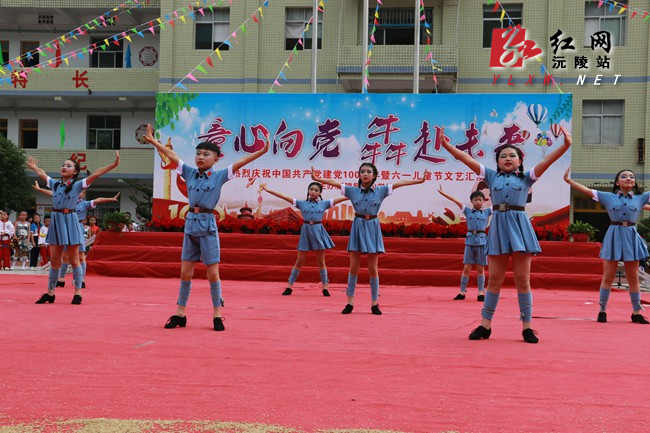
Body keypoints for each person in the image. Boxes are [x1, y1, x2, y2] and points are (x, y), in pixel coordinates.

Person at [440, 125, 572, 343]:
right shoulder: (491, 177)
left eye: (513, 155)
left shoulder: (528, 177)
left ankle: (527, 327)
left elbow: (548, 161)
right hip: (499, 228)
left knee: (522, 280)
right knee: (494, 280)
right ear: (498, 162)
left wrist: (566, 145)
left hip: (520, 228)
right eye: (503, 156)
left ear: (520, 160)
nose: (508, 158)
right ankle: (485, 325)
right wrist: (447, 146)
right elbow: (465, 158)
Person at [143, 124, 269, 331]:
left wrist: (263, 150)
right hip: (190, 226)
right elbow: (171, 155)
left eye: (206, 154)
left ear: (216, 158)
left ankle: (217, 315)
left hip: (208, 226)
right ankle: (180, 314)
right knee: (185, 274)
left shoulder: (219, 175)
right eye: (198, 153)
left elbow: (241, 162)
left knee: (212, 275)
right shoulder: (190, 173)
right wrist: (153, 141)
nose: (201, 157)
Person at [311, 163, 428, 315]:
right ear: (359, 175)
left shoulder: (381, 191)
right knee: (354, 268)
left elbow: (400, 183)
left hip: (372, 227)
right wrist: (317, 178)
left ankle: (374, 303)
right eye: (362, 171)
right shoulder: (352, 191)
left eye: (368, 172)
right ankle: (349, 302)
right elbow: (334, 183)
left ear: (374, 175)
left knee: (373, 269)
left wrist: (419, 181)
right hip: (358, 226)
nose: (365, 174)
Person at [27, 152, 120, 304]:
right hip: (56, 220)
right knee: (55, 260)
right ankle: (50, 293)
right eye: (63, 165)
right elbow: (42, 174)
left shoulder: (77, 186)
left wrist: (113, 165)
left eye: (68, 166)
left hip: (70, 220)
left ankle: (77, 292)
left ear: (75, 172)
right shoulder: (55, 184)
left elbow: (96, 174)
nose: (64, 167)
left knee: (75, 260)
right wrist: (34, 167)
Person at [564, 167, 649, 324]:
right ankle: (602, 310)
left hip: (631, 235)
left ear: (635, 182)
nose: (628, 178)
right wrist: (569, 181)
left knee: (633, 277)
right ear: (617, 182)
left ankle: (636, 312)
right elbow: (587, 191)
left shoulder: (641, 198)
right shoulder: (608, 197)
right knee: (608, 276)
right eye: (624, 176)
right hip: (614, 235)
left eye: (631, 176)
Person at [261, 182, 349, 297]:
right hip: (306, 231)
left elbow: (342, 199)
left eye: (316, 190)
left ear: (320, 193)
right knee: (299, 260)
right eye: (311, 189)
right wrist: (268, 190)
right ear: (308, 191)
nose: (313, 192)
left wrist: (356, 193)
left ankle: (325, 287)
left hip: (318, 231)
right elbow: (284, 196)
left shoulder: (324, 203)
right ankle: (289, 286)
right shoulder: (301, 204)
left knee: (321, 262)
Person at [32, 182, 119, 289]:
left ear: (83, 194)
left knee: (81, 256)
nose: (78, 193)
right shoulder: (67, 201)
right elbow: (52, 193)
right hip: (65, 228)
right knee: (65, 257)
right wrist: (39, 189)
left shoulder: (84, 204)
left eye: (81, 192)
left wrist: (111, 199)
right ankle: (61, 279)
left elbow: (98, 199)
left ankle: (81, 279)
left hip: (77, 228)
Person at [437, 185, 492, 301]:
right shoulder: (467, 211)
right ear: (471, 201)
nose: (478, 202)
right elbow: (456, 200)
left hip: (482, 241)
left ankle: (481, 292)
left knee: (480, 269)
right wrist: (443, 193)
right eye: (476, 200)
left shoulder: (487, 212)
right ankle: (462, 292)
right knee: (467, 268)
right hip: (470, 241)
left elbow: (499, 204)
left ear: (483, 201)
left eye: (480, 200)